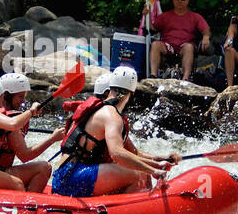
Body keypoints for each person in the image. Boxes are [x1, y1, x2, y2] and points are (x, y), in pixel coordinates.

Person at [51, 66, 180, 196]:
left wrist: (160, 160)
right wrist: (153, 170)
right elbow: (117, 154)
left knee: (140, 170)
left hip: (65, 176)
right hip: (72, 178)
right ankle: (133, 212)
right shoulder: (111, 116)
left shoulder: (102, 109)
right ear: (131, 93)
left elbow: (132, 153)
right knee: (140, 174)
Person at [147, 0, 210, 81]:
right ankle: (153, 75)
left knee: (188, 47)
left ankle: (186, 78)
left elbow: (206, 29)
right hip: (168, 45)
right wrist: (146, 15)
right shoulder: (165, 16)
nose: (180, 0)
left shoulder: (195, 16)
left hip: (185, 46)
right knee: (155, 44)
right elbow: (153, 29)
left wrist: (206, 37)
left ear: (187, 0)